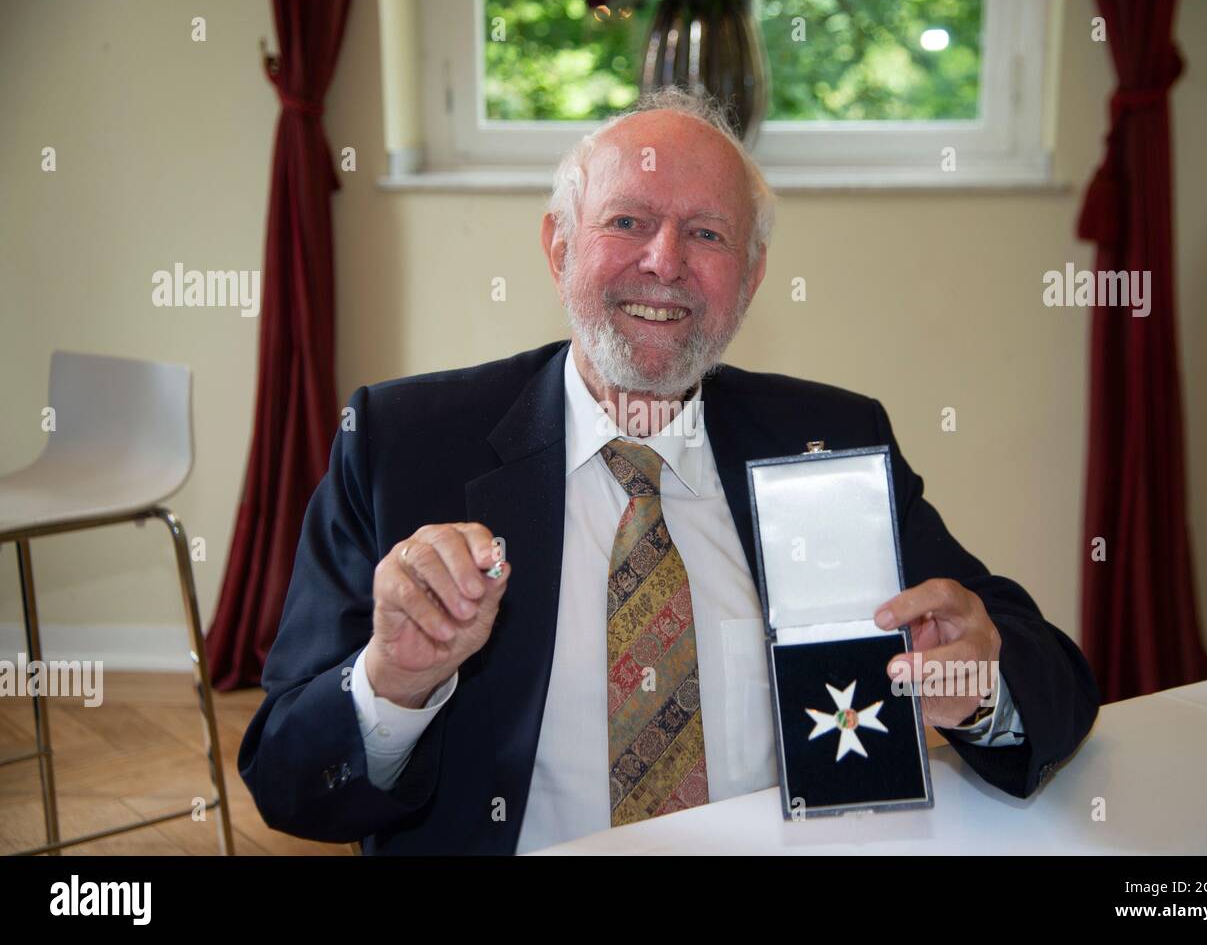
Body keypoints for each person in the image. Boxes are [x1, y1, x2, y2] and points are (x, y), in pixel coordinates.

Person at [239, 88, 1098, 854]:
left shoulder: (827, 438)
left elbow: (1047, 672)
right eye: (627, 221)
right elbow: (285, 775)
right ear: (559, 245)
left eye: (707, 233)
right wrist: (392, 681)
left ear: (751, 278)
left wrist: (980, 685)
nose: (665, 261)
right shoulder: (403, 444)